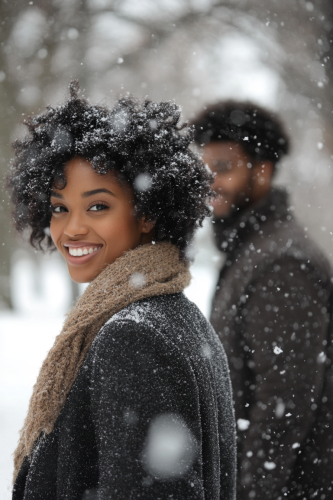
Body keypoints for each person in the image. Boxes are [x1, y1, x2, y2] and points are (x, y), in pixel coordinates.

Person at [8, 82, 236, 500]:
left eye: (98, 206)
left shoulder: (133, 338)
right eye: (60, 207)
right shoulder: (172, 314)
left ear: (147, 213)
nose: (72, 228)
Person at [192, 101, 333, 499]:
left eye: (223, 167)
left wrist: (248, 491)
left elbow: (284, 404)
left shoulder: (283, 262)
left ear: (262, 170)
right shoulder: (251, 251)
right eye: (205, 168)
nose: (210, 181)